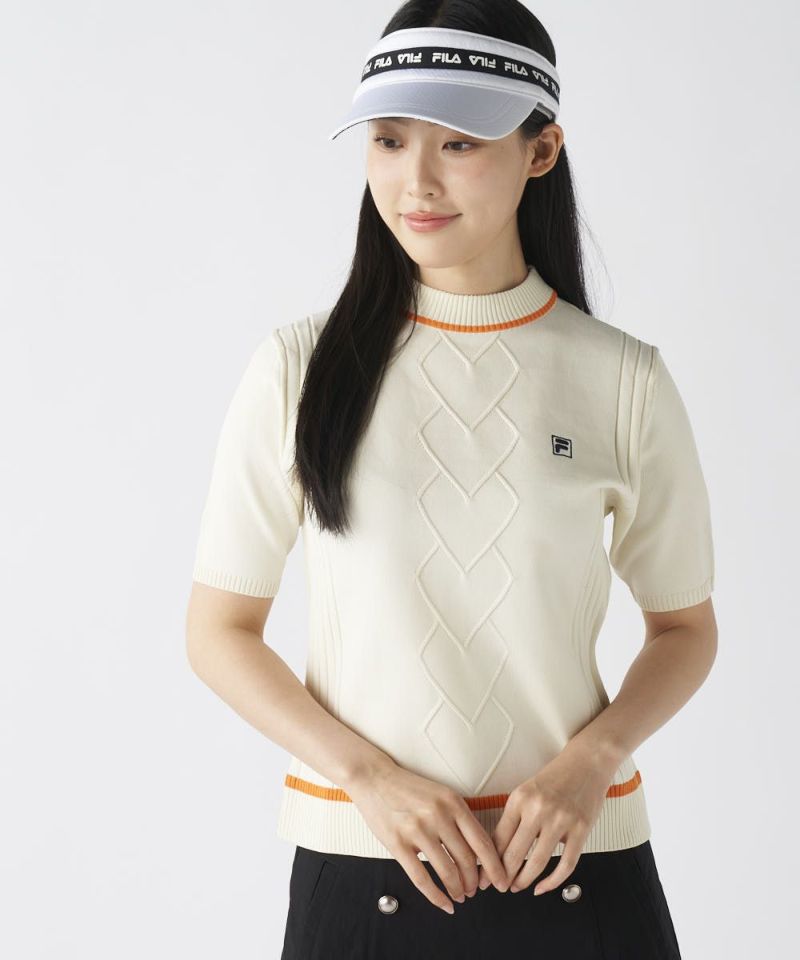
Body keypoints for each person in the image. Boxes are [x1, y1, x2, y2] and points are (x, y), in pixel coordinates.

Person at [186, 2, 718, 957]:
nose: (416, 181)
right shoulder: (298, 369)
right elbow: (218, 631)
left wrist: (592, 764)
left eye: (460, 142)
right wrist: (368, 780)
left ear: (541, 150)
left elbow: (685, 628)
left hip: (582, 874)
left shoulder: (623, 380)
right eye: (389, 141)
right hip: (361, 879)